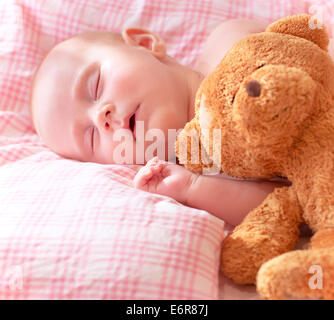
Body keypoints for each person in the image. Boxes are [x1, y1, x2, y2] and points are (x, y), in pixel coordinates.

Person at [30, 19, 309, 226]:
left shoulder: (228, 41)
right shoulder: (207, 172)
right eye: (90, 136)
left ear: (145, 44)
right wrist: (192, 188)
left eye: (95, 86)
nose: (100, 117)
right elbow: (296, 206)